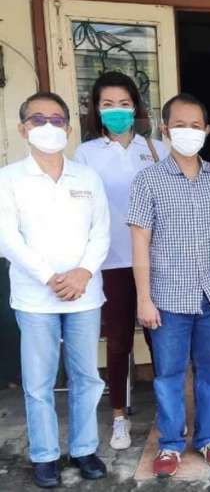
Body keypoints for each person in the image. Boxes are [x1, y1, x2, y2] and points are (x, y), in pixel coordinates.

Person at [0, 92, 110, 488]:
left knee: (86, 378)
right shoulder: (9, 179)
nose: (48, 127)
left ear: (68, 127)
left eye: (57, 120)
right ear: (22, 128)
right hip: (35, 298)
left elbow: (101, 231)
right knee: (39, 382)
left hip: (84, 294)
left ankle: (84, 449)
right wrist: (50, 277)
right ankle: (44, 455)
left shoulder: (87, 177)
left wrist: (82, 273)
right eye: (38, 119)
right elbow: (8, 239)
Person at [128, 93, 210, 479]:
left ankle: (209, 438)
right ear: (165, 130)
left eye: (195, 126)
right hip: (168, 297)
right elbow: (140, 242)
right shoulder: (148, 180)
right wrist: (144, 299)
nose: (188, 132)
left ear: (207, 131)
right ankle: (171, 443)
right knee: (169, 375)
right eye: (179, 125)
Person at [74, 71, 169, 450]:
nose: (117, 111)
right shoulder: (86, 154)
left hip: (156, 260)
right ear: (96, 109)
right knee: (117, 342)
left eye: (124, 104)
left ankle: (168, 414)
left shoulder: (157, 149)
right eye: (108, 104)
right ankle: (118, 416)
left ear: (136, 107)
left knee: (161, 339)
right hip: (111, 261)